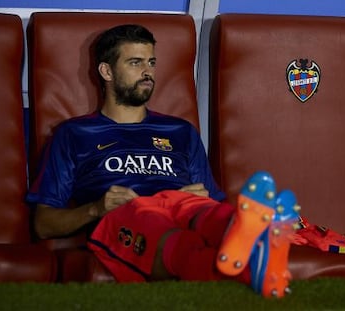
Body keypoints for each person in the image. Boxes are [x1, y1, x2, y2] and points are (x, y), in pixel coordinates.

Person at [26, 24, 300, 298]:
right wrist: (96, 209)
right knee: (149, 218)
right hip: (123, 215)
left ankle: (250, 228)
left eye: (152, 62)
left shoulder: (180, 132)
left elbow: (209, 198)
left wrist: (205, 199)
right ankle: (255, 266)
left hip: (180, 204)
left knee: (201, 208)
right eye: (135, 63)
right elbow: (43, 224)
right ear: (106, 71)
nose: (148, 72)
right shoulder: (74, 133)